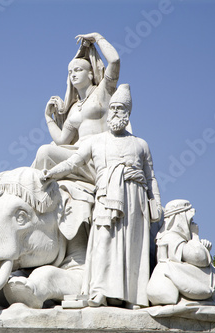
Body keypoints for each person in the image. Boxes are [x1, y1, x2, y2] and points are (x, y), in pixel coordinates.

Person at [42, 84, 162, 309]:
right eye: (113, 108)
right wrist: (51, 173)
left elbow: (151, 177)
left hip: (135, 200)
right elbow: (72, 162)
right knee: (103, 242)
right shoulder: (97, 141)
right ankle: (98, 292)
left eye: (121, 109)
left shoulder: (141, 144)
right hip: (107, 197)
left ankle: (133, 297)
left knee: (132, 246)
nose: (116, 112)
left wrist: (156, 202)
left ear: (128, 114)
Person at [32, 32, 122, 183]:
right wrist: (48, 118)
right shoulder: (74, 108)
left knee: (44, 152)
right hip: (77, 155)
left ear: (91, 74)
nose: (73, 75)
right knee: (45, 152)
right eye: (70, 72)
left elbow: (114, 61)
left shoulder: (103, 91)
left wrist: (97, 37)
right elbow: (62, 142)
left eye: (78, 70)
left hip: (97, 155)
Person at [147, 199, 215, 307]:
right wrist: (195, 236)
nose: (192, 223)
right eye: (190, 219)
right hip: (173, 274)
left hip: (180, 271)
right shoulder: (170, 237)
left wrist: (201, 246)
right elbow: (200, 259)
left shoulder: (173, 236)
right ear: (180, 218)